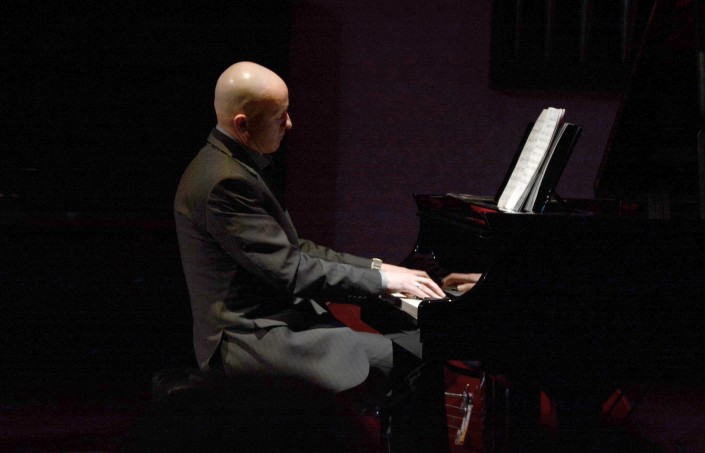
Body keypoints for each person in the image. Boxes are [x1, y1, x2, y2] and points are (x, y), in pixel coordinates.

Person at [174, 61, 447, 450]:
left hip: (273, 322)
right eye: (280, 117)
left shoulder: (233, 164)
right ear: (242, 125)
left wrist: (378, 268)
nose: (289, 124)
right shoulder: (224, 182)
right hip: (251, 339)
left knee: (413, 344)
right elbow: (292, 271)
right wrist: (384, 282)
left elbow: (296, 249)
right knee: (413, 359)